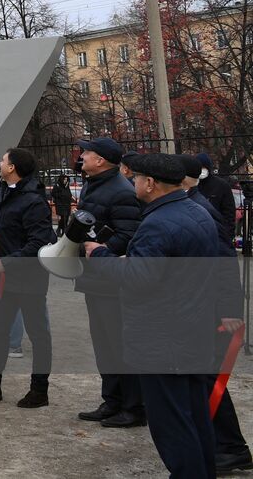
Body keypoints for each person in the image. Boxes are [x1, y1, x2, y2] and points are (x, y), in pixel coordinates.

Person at [82, 153, 229, 477]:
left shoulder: (158, 223)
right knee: (194, 417)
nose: (132, 181)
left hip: (163, 341)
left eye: (135, 177)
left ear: (150, 183)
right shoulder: (198, 211)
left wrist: (102, 255)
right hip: (192, 332)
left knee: (173, 426)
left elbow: (138, 278)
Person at [181, 154, 253, 473]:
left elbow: (224, 269)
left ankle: (232, 448)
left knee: (211, 379)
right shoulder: (190, 206)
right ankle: (220, 443)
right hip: (205, 309)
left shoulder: (201, 211)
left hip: (217, 312)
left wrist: (229, 314)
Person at [0, 147, 55, 408]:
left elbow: (39, 243)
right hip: (5, 277)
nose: (0, 163)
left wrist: (5, 262)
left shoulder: (34, 201)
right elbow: (2, 219)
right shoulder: (7, 191)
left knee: (38, 334)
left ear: (12, 168)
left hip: (28, 278)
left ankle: (39, 390)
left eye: (4, 160)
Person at [73, 138, 144, 428]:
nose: (82, 157)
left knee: (118, 344)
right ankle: (112, 400)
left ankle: (133, 407)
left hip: (111, 280)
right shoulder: (95, 184)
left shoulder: (121, 192)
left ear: (100, 160)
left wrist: (97, 250)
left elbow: (129, 234)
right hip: (95, 279)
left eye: (86, 153)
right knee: (104, 344)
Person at [197, 153, 238, 245]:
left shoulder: (221, 185)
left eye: (204, 167)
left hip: (218, 233)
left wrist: (227, 235)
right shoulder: (193, 185)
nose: (202, 170)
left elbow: (229, 213)